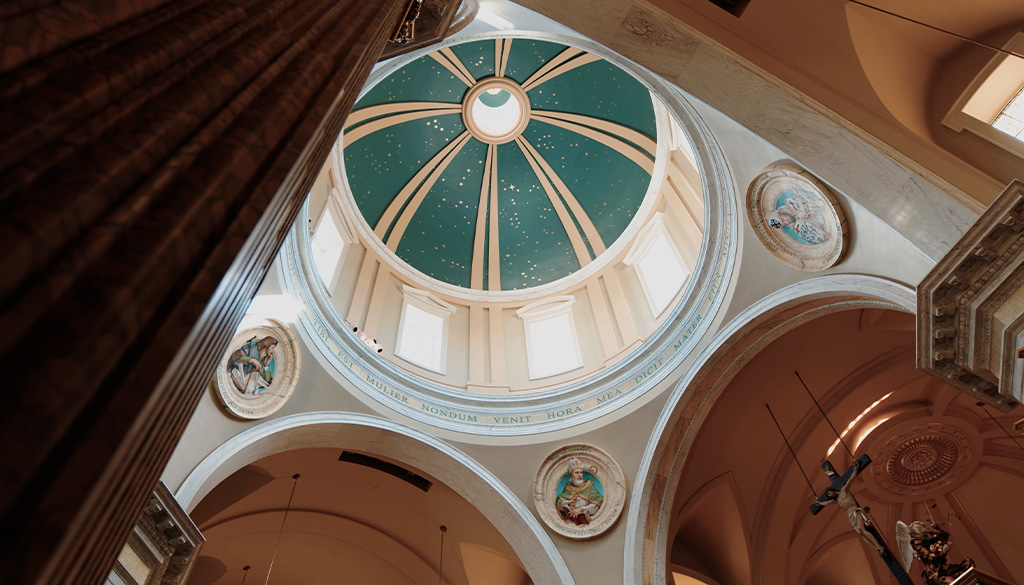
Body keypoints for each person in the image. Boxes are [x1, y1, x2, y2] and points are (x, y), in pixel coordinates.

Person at [556, 458, 604, 525]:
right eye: (577, 472)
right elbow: (559, 504)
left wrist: (582, 509)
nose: (580, 475)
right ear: (571, 475)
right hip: (571, 520)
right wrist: (568, 502)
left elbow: (598, 504)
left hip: (585, 518)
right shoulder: (568, 488)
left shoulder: (588, 486)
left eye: (581, 472)